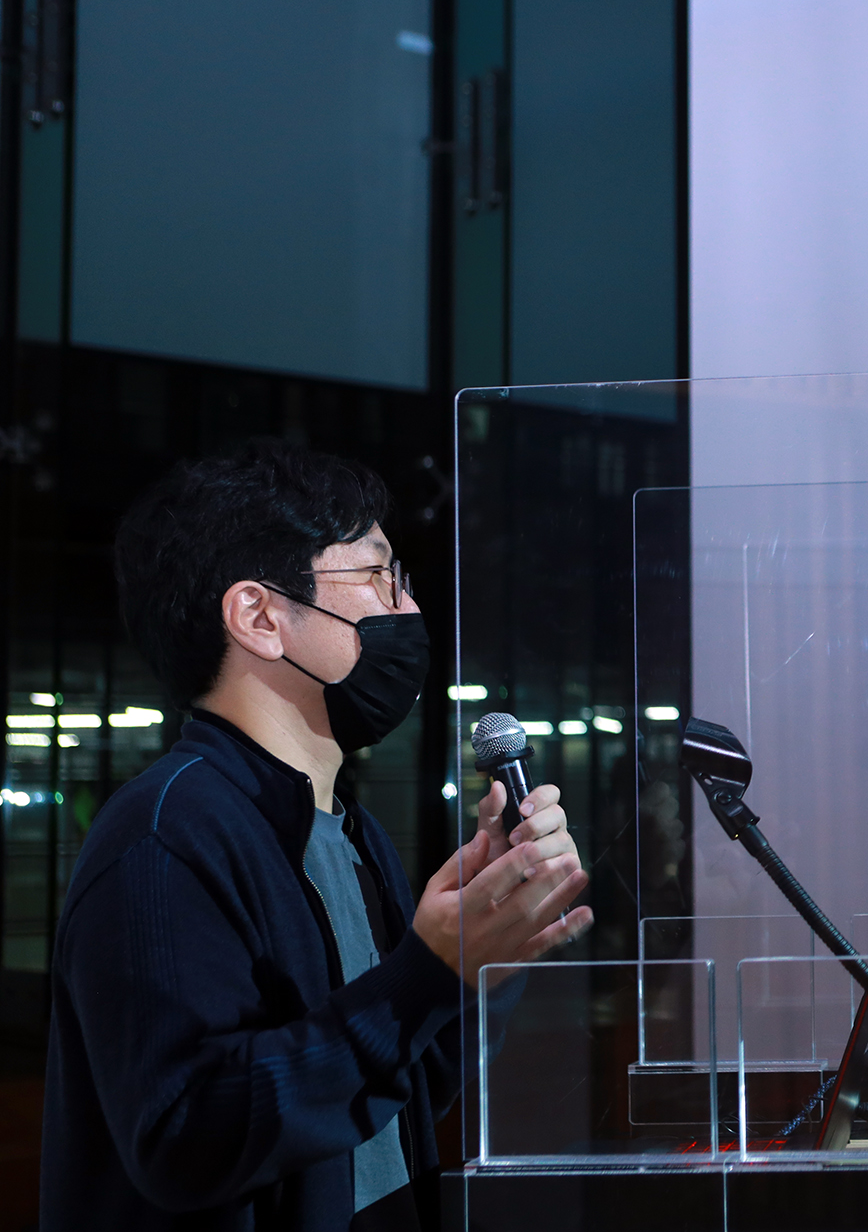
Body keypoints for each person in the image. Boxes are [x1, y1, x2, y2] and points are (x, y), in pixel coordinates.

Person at [40, 441, 593, 1231]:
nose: (408, 610)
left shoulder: (349, 829)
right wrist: (427, 973)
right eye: (378, 576)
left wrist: (486, 955)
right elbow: (184, 1135)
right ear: (260, 617)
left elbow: (397, 1090)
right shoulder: (163, 838)